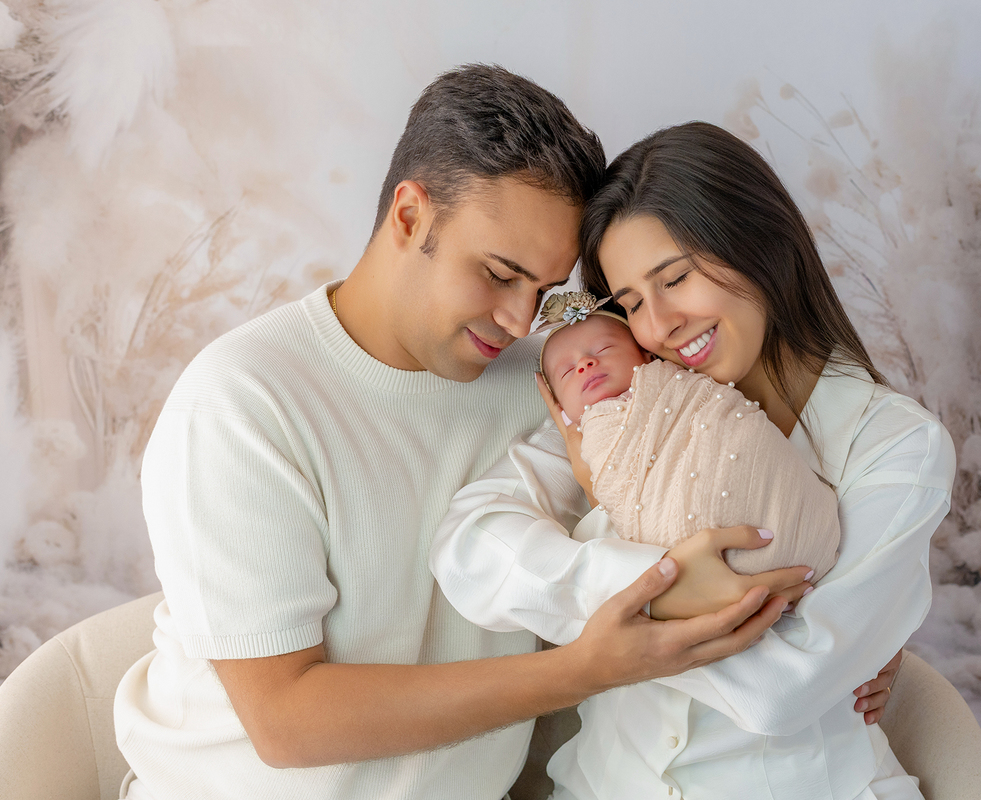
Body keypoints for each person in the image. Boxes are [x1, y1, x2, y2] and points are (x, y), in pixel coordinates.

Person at [111, 67, 829, 800]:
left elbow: (717, 476)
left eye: (546, 291)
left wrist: (861, 628)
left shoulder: (555, 383)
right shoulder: (241, 404)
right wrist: (585, 669)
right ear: (409, 217)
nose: (522, 321)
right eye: (498, 273)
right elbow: (286, 722)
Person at [431, 121, 954, 799]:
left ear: (761, 242)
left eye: (675, 278)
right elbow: (469, 548)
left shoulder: (895, 448)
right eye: (633, 303)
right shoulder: (622, 394)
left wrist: (614, 635)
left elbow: (781, 692)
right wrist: (659, 584)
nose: (660, 325)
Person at [536, 291, 840, 585]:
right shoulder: (579, 445)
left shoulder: (681, 383)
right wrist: (590, 481)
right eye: (566, 372)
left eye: (603, 349)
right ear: (560, 408)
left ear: (646, 354)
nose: (584, 364)